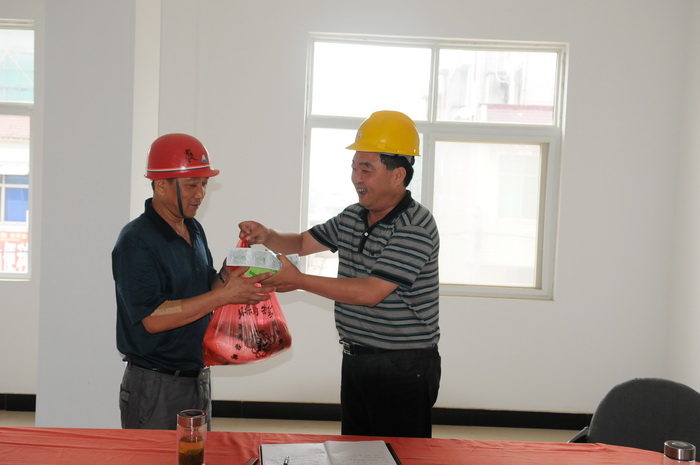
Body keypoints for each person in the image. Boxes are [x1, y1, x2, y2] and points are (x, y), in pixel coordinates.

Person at [239, 111, 441, 438]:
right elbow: (303, 243)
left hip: (402, 366)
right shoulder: (353, 216)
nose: (356, 178)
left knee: (401, 455)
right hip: (357, 358)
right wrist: (268, 235)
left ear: (398, 175)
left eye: (366, 169)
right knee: (357, 452)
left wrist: (299, 281)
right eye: (354, 167)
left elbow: (371, 292)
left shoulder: (415, 226)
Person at [112, 133, 274, 430]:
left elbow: (204, 292)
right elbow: (153, 318)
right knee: (156, 456)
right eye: (191, 185)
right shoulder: (136, 241)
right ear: (161, 185)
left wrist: (228, 273)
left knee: (197, 454)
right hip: (155, 385)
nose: (200, 194)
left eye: (204, 184)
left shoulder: (193, 229)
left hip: (197, 378)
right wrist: (224, 295)